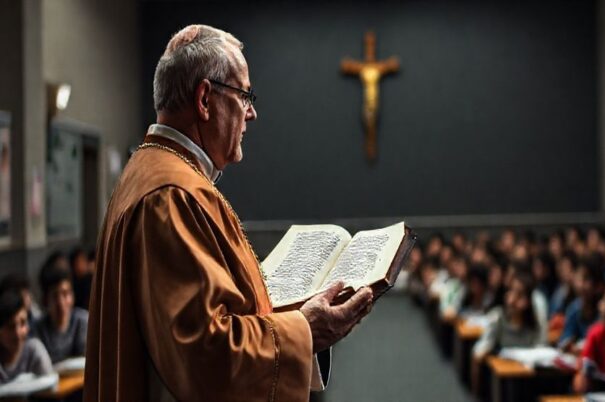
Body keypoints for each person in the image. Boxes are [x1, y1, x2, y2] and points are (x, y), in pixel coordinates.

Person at [85, 25, 373, 401]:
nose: (251, 113)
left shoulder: (154, 172)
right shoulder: (171, 196)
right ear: (205, 99)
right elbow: (206, 353)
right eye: (244, 95)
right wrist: (304, 329)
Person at [472, 272, 544, 358]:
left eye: (519, 295)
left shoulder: (535, 321)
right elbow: (479, 349)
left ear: (529, 301)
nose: (512, 300)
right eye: (511, 292)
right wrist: (485, 349)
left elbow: (541, 351)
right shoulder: (497, 316)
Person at [32, 260, 88, 363]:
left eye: (65, 294)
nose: (61, 302)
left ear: (73, 295)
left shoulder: (83, 321)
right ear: (45, 300)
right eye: (55, 296)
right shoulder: (37, 329)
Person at [0, 289, 54, 384]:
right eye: (10, 326)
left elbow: (51, 387)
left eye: (23, 323)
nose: (17, 333)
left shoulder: (34, 351)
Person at [558, 255, 605, 353]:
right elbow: (565, 339)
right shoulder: (574, 308)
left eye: (586, 280)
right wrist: (567, 344)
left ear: (599, 286)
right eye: (579, 279)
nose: (580, 285)